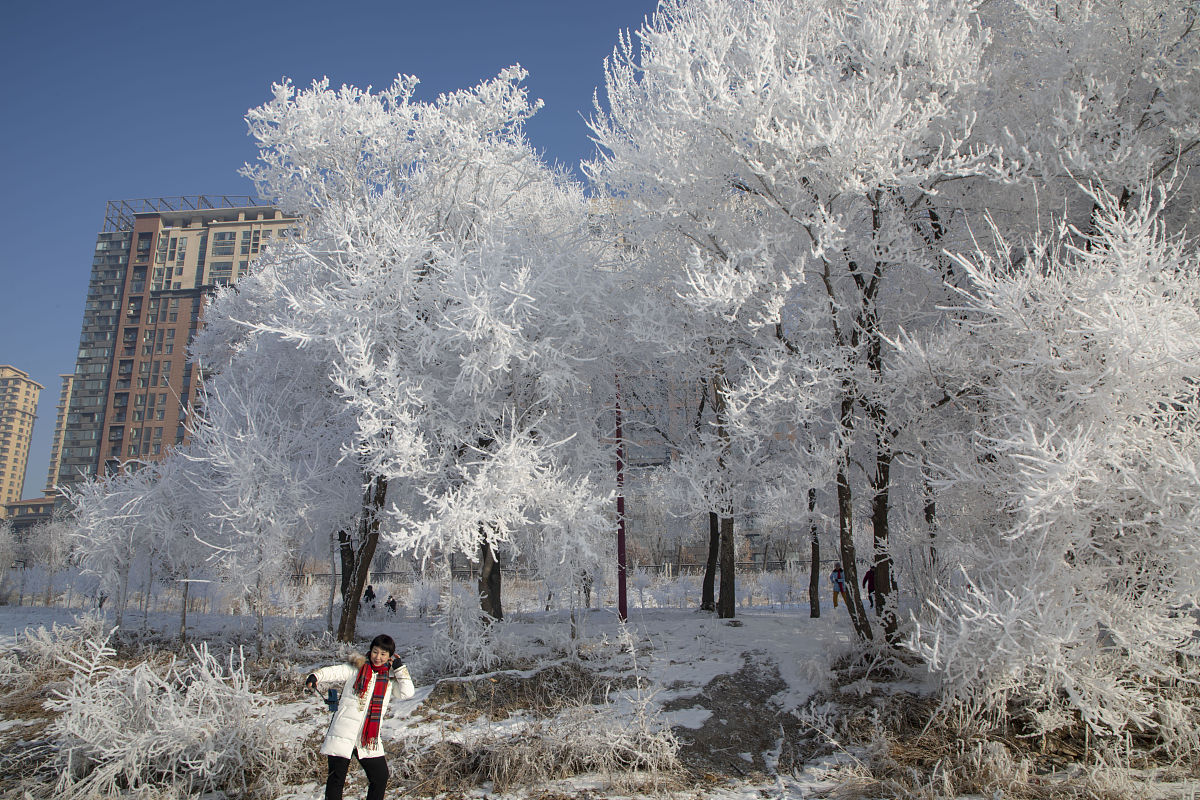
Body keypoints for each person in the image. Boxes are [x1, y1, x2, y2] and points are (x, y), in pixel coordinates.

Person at [304, 634, 415, 800]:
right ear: (370, 651)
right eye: (375, 652)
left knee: (380, 776)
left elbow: (407, 692)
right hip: (343, 731)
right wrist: (316, 676)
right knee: (336, 780)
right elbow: (335, 671)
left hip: (367, 737)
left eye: (383, 654)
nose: (378, 657)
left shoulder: (390, 679)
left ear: (390, 657)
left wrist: (400, 669)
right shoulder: (357, 668)